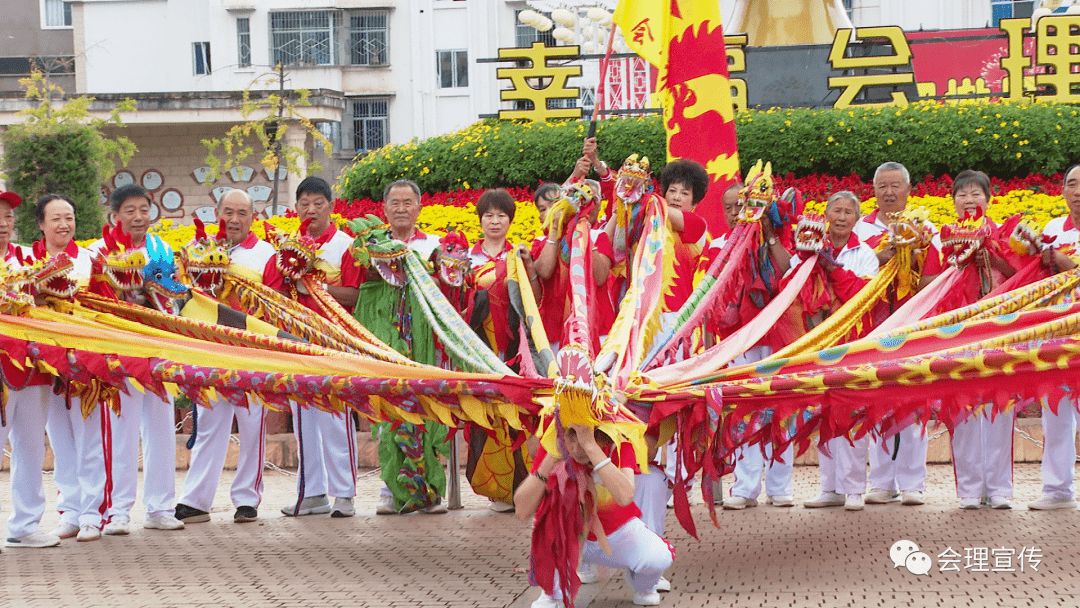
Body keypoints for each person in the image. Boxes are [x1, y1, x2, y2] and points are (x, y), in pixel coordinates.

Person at [85, 184, 186, 535]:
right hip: (118, 350)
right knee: (121, 430)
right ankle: (117, 511)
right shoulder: (98, 253)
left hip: (157, 349)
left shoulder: (162, 248)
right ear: (115, 216)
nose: (138, 217)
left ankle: (160, 508)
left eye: (144, 209)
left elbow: (174, 296)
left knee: (160, 427)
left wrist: (159, 298)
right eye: (130, 211)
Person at [175, 189, 276, 524]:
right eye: (228, 212)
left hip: (252, 352)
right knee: (208, 425)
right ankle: (195, 501)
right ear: (217, 213)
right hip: (211, 350)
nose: (234, 219)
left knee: (251, 426)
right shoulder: (199, 251)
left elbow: (275, 306)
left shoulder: (265, 254)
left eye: (242, 213)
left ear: (253, 218)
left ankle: (247, 499)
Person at [266, 176, 362, 518]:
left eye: (318, 203)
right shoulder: (287, 248)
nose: (311, 210)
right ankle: (312, 493)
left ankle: (345, 494)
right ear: (296, 208)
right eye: (304, 204)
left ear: (331, 206)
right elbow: (272, 293)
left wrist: (313, 285)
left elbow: (356, 294)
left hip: (335, 341)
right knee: (303, 417)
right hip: (298, 341)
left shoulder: (346, 246)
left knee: (336, 415)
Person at [852, 162, 942, 507]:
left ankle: (912, 483)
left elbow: (935, 278)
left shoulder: (925, 227)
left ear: (908, 189)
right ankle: (881, 482)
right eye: (882, 186)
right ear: (873, 191)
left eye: (895, 186)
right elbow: (852, 276)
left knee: (913, 400)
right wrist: (880, 257)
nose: (889, 192)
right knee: (879, 400)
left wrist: (914, 257)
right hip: (875, 328)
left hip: (913, 326)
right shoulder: (862, 229)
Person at [360, 179, 448, 515]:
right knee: (389, 409)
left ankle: (429, 491)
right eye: (394, 202)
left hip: (423, 340)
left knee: (425, 408)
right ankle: (390, 489)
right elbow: (362, 289)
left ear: (419, 207)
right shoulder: (372, 245)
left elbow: (447, 290)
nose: (401, 208)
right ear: (384, 208)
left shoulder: (431, 247)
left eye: (407, 202)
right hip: (386, 339)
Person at [516, 425, 674, 608]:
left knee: (658, 557)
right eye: (571, 438)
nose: (576, 448)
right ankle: (553, 593)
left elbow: (625, 497)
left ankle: (643, 585)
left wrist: (592, 448)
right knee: (545, 525)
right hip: (570, 536)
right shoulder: (553, 443)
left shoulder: (619, 440)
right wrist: (551, 458)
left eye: (584, 437)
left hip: (615, 534)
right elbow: (522, 510)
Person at [30, 194, 108, 543]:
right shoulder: (28, 261)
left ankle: (93, 515)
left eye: (70, 217)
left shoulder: (90, 261)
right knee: (60, 442)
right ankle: (70, 512)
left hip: (85, 366)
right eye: (56, 218)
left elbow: (107, 308)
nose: (64, 224)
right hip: (44, 368)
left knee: (90, 439)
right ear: (41, 224)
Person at [797, 191, 880, 511]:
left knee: (851, 414)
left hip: (852, 344)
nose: (842, 216)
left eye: (849, 211)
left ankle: (855, 489)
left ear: (857, 219)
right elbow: (793, 283)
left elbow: (860, 296)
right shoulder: (807, 246)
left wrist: (828, 267)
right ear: (827, 214)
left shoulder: (865, 255)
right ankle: (830, 487)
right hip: (817, 343)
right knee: (824, 413)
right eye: (837, 210)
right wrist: (812, 259)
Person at [943, 170, 1019, 510]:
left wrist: (988, 249)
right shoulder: (943, 238)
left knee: (1000, 407)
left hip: (999, 333)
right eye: (962, 194)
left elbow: (1019, 274)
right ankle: (970, 490)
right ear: (954, 201)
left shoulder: (1004, 235)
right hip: (958, 333)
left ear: (988, 199)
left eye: (976, 193)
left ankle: (999, 488)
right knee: (963, 407)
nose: (969, 199)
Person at [0, 192, 64, 549]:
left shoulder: (28, 257)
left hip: (32, 365)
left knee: (30, 448)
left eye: (7, 217)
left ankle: (25, 525)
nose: (2, 223)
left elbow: (53, 294)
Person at [1031, 163, 1080, 510]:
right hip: (1060, 336)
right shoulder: (1053, 229)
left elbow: (1063, 265)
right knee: (1057, 413)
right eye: (1072, 184)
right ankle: (1057, 490)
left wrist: (1065, 262)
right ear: (1063, 192)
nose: (1077, 191)